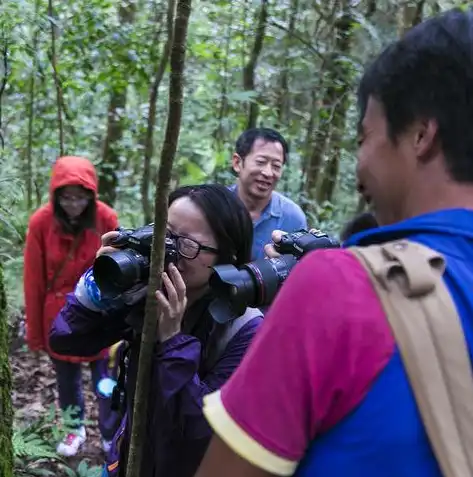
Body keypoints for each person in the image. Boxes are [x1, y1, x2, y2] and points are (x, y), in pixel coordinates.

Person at [196, 7, 473, 477]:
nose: (360, 163)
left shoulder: (340, 288)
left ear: (421, 135)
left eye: (365, 137)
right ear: (238, 164)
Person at [49, 184, 263, 477]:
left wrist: (173, 340)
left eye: (187, 244)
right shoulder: (147, 293)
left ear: (228, 258)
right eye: (166, 234)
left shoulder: (246, 331)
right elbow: (65, 340)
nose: (169, 250)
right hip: (129, 457)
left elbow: (201, 432)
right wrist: (98, 287)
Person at [23, 155, 119, 456]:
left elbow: (118, 268)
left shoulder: (106, 218)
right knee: (66, 381)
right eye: (66, 198)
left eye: (80, 198)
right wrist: (37, 335)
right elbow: (34, 280)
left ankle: (110, 432)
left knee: (106, 380)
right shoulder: (41, 222)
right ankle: (73, 428)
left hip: (100, 312)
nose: (74, 204)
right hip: (59, 316)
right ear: (56, 196)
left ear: (91, 196)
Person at [229, 128, 307, 259]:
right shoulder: (213, 206)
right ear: (237, 163)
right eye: (260, 162)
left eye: (276, 166)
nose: (268, 173)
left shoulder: (293, 218)